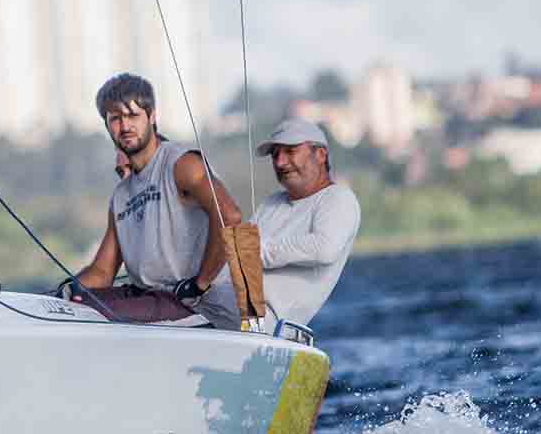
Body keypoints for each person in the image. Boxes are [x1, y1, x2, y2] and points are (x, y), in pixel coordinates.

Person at [67, 73, 243, 329]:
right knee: (71, 303)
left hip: (193, 304)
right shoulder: (121, 196)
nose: (125, 126)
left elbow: (231, 217)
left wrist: (200, 283)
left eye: (133, 116)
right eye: (115, 118)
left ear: (152, 116)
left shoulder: (181, 164)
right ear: (107, 126)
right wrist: (67, 289)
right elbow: (103, 272)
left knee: (93, 314)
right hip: (148, 298)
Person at [251, 118, 361, 330]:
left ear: (320, 155)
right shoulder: (271, 203)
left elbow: (324, 249)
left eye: (290, 152)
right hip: (222, 310)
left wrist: (257, 253)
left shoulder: (338, 198)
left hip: (263, 326)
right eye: (275, 155)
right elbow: (238, 251)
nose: (280, 162)